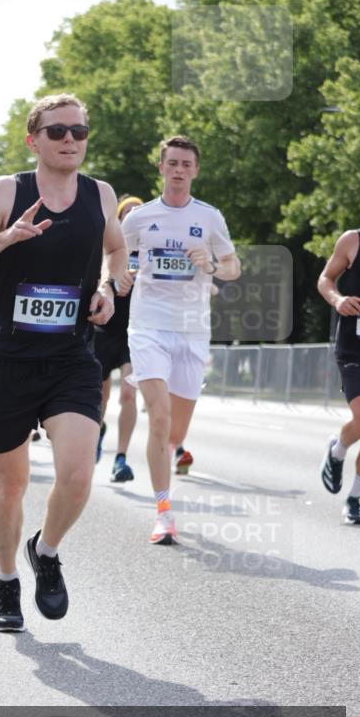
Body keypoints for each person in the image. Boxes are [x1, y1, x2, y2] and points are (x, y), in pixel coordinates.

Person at [0, 93, 126, 632]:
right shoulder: (8, 190)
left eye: (80, 131)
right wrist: (8, 237)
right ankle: (5, 582)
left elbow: (116, 251)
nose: (71, 139)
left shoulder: (100, 194)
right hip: (6, 358)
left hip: (70, 357)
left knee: (76, 474)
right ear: (34, 140)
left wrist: (109, 288)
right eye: (57, 131)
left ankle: (45, 551)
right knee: (11, 485)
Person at [121, 135, 240, 544]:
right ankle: (163, 512)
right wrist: (112, 281)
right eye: (171, 162)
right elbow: (116, 256)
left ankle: (168, 455)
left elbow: (233, 267)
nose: (178, 170)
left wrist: (212, 265)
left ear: (195, 170)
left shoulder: (209, 217)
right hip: (148, 325)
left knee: (174, 431)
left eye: (186, 164)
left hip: (192, 330)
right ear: (161, 168)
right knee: (158, 416)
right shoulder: (138, 218)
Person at [318, 228, 360, 524]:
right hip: (354, 349)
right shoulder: (354, 240)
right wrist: (337, 300)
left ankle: (354, 498)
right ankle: (338, 449)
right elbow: (325, 279)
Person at [94, 195, 143, 481]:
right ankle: (97, 429)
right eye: (128, 212)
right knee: (99, 398)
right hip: (104, 330)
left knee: (128, 392)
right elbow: (98, 277)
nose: (134, 216)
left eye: (139, 212)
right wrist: (114, 281)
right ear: (120, 218)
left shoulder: (151, 248)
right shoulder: (108, 248)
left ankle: (121, 459)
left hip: (134, 333)